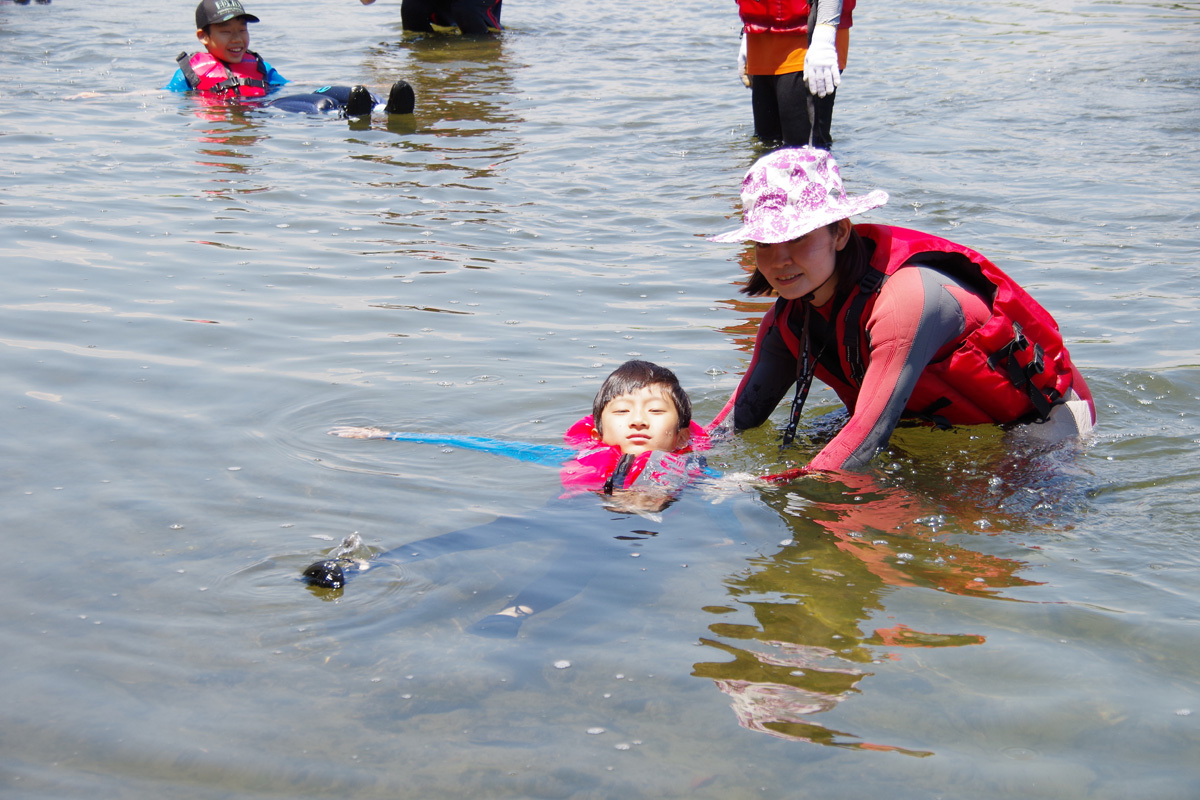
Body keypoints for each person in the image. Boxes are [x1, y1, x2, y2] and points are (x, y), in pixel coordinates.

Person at [707, 146, 1096, 474]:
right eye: (765, 244)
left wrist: (755, 487)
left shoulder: (905, 302)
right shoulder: (790, 320)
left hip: (1043, 425)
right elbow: (733, 425)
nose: (779, 261)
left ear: (840, 232)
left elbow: (862, 444)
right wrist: (668, 464)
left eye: (797, 237)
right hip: (926, 422)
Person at [302, 360, 713, 638]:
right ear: (600, 430)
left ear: (679, 434)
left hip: (624, 530)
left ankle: (512, 616)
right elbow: (487, 444)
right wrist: (390, 434)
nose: (639, 420)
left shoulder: (688, 466)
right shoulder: (582, 455)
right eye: (622, 411)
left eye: (655, 412)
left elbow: (735, 489)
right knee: (479, 535)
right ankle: (365, 565)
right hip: (570, 511)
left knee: (575, 568)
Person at [165, 0, 415, 117]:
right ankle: (349, 114)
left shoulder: (259, 66)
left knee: (334, 90)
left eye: (242, 30)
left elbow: (288, 85)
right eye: (226, 32)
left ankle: (385, 106)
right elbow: (172, 98)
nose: (237, 39)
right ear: (203, 36)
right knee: (322, 105)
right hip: (263, 110)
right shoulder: (191, 73)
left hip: (277, 100)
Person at [735, 0, 855, 149]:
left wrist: (825, 35)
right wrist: (750, 27)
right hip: (760, 35)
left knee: (803, 151)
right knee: (766, 147)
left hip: (809, 35)